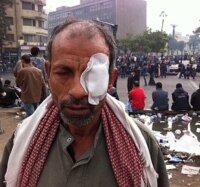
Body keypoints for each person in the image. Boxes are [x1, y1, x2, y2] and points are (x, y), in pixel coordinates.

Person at [0, 19, 169, 187]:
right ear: (48, 73)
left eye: (93, 76)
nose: (78, 91)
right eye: (64, 72)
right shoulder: (21, 141)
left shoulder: (142, 145)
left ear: (111, 79)